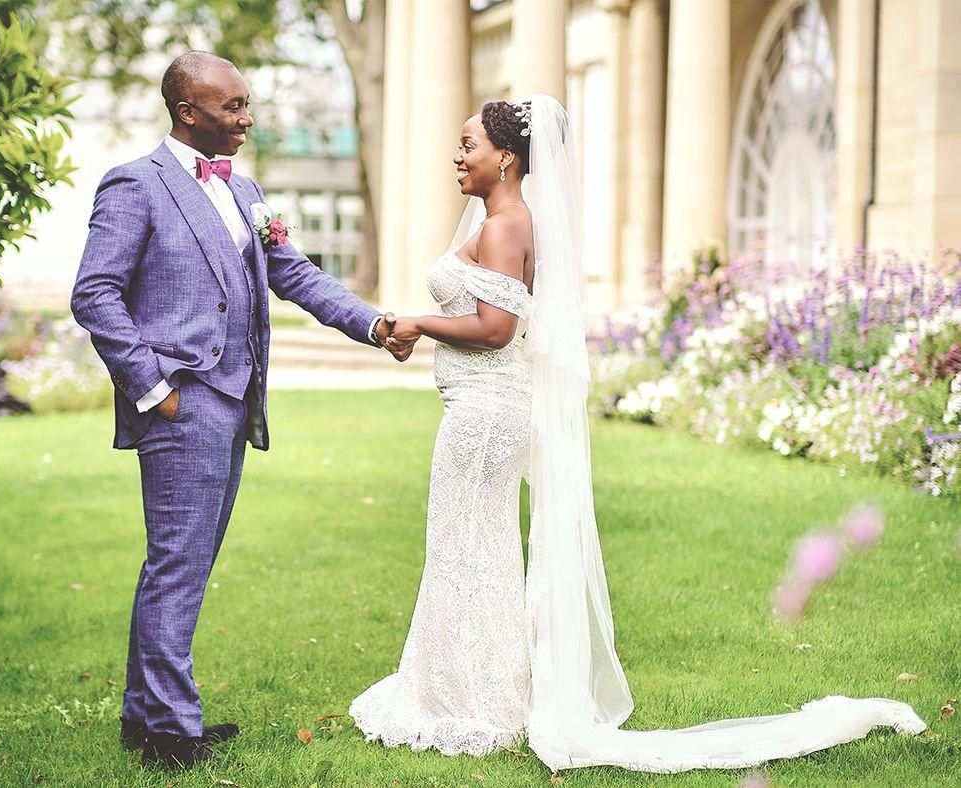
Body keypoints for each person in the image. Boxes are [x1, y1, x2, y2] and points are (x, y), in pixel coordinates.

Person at [349, 94, 927, 773]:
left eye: (468, 144)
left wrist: (419, 323)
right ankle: (469, 690)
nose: (457, 155)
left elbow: (497, 330)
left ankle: (473, 701)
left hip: (482, 420)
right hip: (481, 410)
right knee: (471, 548)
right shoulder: (502, 219)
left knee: (466, 549)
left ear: (504, 157)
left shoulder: (506, 225)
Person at [70, 51, 411, 772]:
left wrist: (374, 325)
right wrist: (154, 386)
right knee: (177, 563)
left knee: (182, 562)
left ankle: (146, 715)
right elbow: (94, 293)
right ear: (187, 111)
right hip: (180, 404)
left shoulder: (244, 188)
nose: (245, 119)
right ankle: (169, 731)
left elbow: (294, 273)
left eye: (246, 104)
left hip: (233, 403)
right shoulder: (135, 184)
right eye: (231, 108)